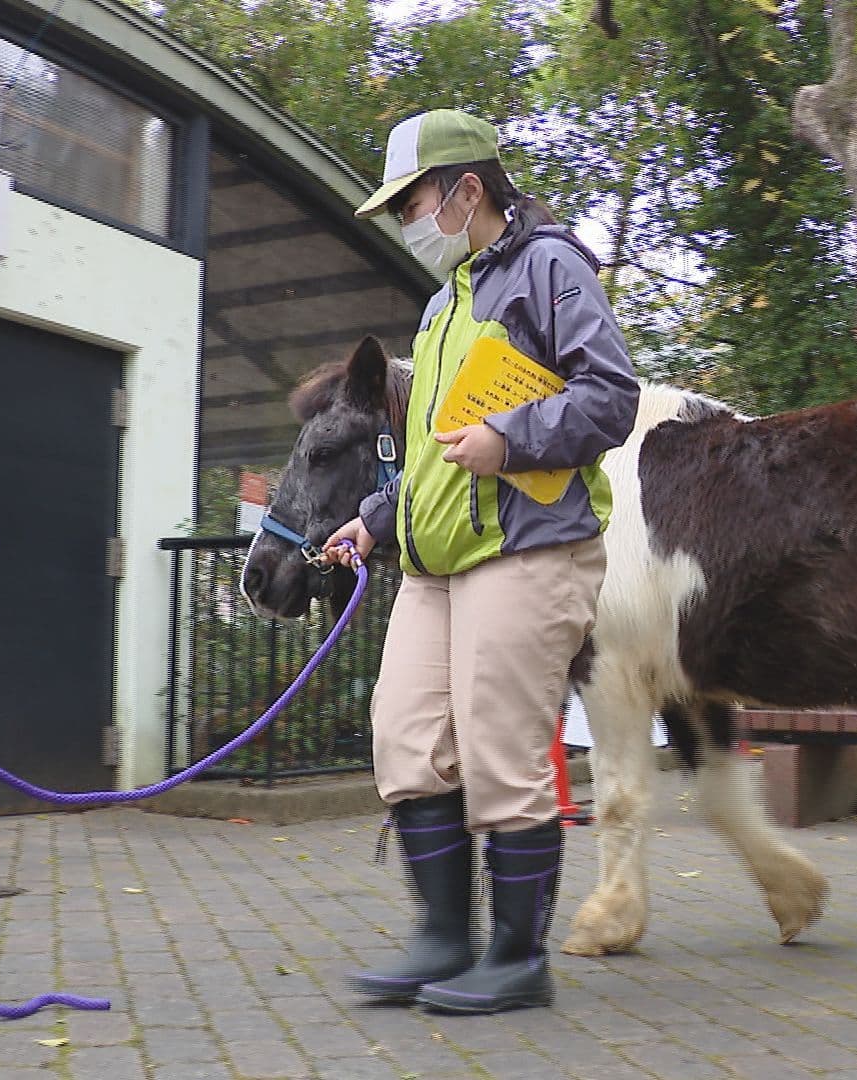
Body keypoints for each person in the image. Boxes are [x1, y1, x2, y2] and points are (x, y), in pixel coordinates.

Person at [326, 109, 640, 1014]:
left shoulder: (551, 268)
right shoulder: (442, 306)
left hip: (526, 549)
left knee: (502, 753)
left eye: (411, 203)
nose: (407, 223)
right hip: (437, 565)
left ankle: (516, 957)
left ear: (467, 190)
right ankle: (442, 939)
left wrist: (512, 438)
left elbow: (610, 396)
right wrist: (376, 520)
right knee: (405, 738)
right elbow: (435, 449)